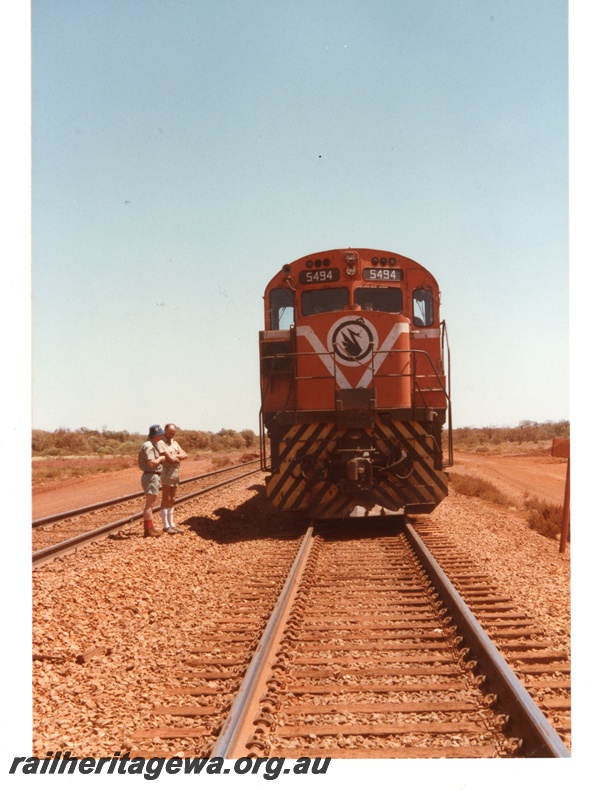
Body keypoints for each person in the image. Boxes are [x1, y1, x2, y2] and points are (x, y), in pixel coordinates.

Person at [157, 423, 188, 534]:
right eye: (170, 432)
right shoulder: (161, 443)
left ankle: (172, 524)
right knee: (166, 498)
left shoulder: (175, 443)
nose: (172, 434)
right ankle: (165, 525)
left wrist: (177, 457)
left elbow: (185, 454)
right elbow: (170, 459)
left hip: (175, 472)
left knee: (173, 498)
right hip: (166, 472)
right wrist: (177, 457)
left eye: (173, 433)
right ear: (165, 431)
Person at [138, 425, 168, 538]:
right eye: (160, 434)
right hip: (151, 475)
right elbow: (151, 463)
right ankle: (148, 530)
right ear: (157, 435)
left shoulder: (151, 444)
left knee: (151, 504)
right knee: (149, 504)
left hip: (152, 476)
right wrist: (160, 459)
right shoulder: (149, 446)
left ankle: (150, 528)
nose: (162, 435)